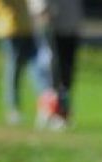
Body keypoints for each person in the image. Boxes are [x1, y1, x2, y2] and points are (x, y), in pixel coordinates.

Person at [0, 0, 51, 125]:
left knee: (37, 70)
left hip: (28, 28)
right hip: (10, 29)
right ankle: (13, 109)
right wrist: (8, 12)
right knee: (14, 70)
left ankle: (46, 106)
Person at [29, 0, 84, 129]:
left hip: (70, 27)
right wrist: (41, 11)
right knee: (51, 72)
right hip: (50, 26)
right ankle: (49, 111)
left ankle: (62, 112)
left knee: (66, 75)